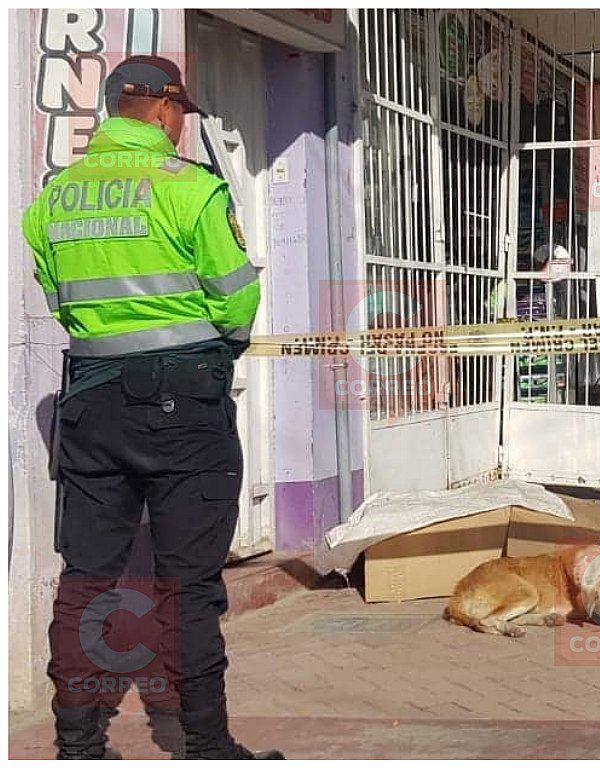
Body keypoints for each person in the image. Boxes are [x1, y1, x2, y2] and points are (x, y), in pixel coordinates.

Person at [22, 56, 281, 759]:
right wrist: (207, 351)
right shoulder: (190, 190)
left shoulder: (54, 199)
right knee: (189, 583)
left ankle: (77, 745)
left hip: (92, 401)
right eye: (180, 117)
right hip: (184, 403)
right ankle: (206, 744)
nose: (180, 129)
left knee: (86, 578)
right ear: (164, 110)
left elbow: (61, 303)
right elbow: (236, 299)